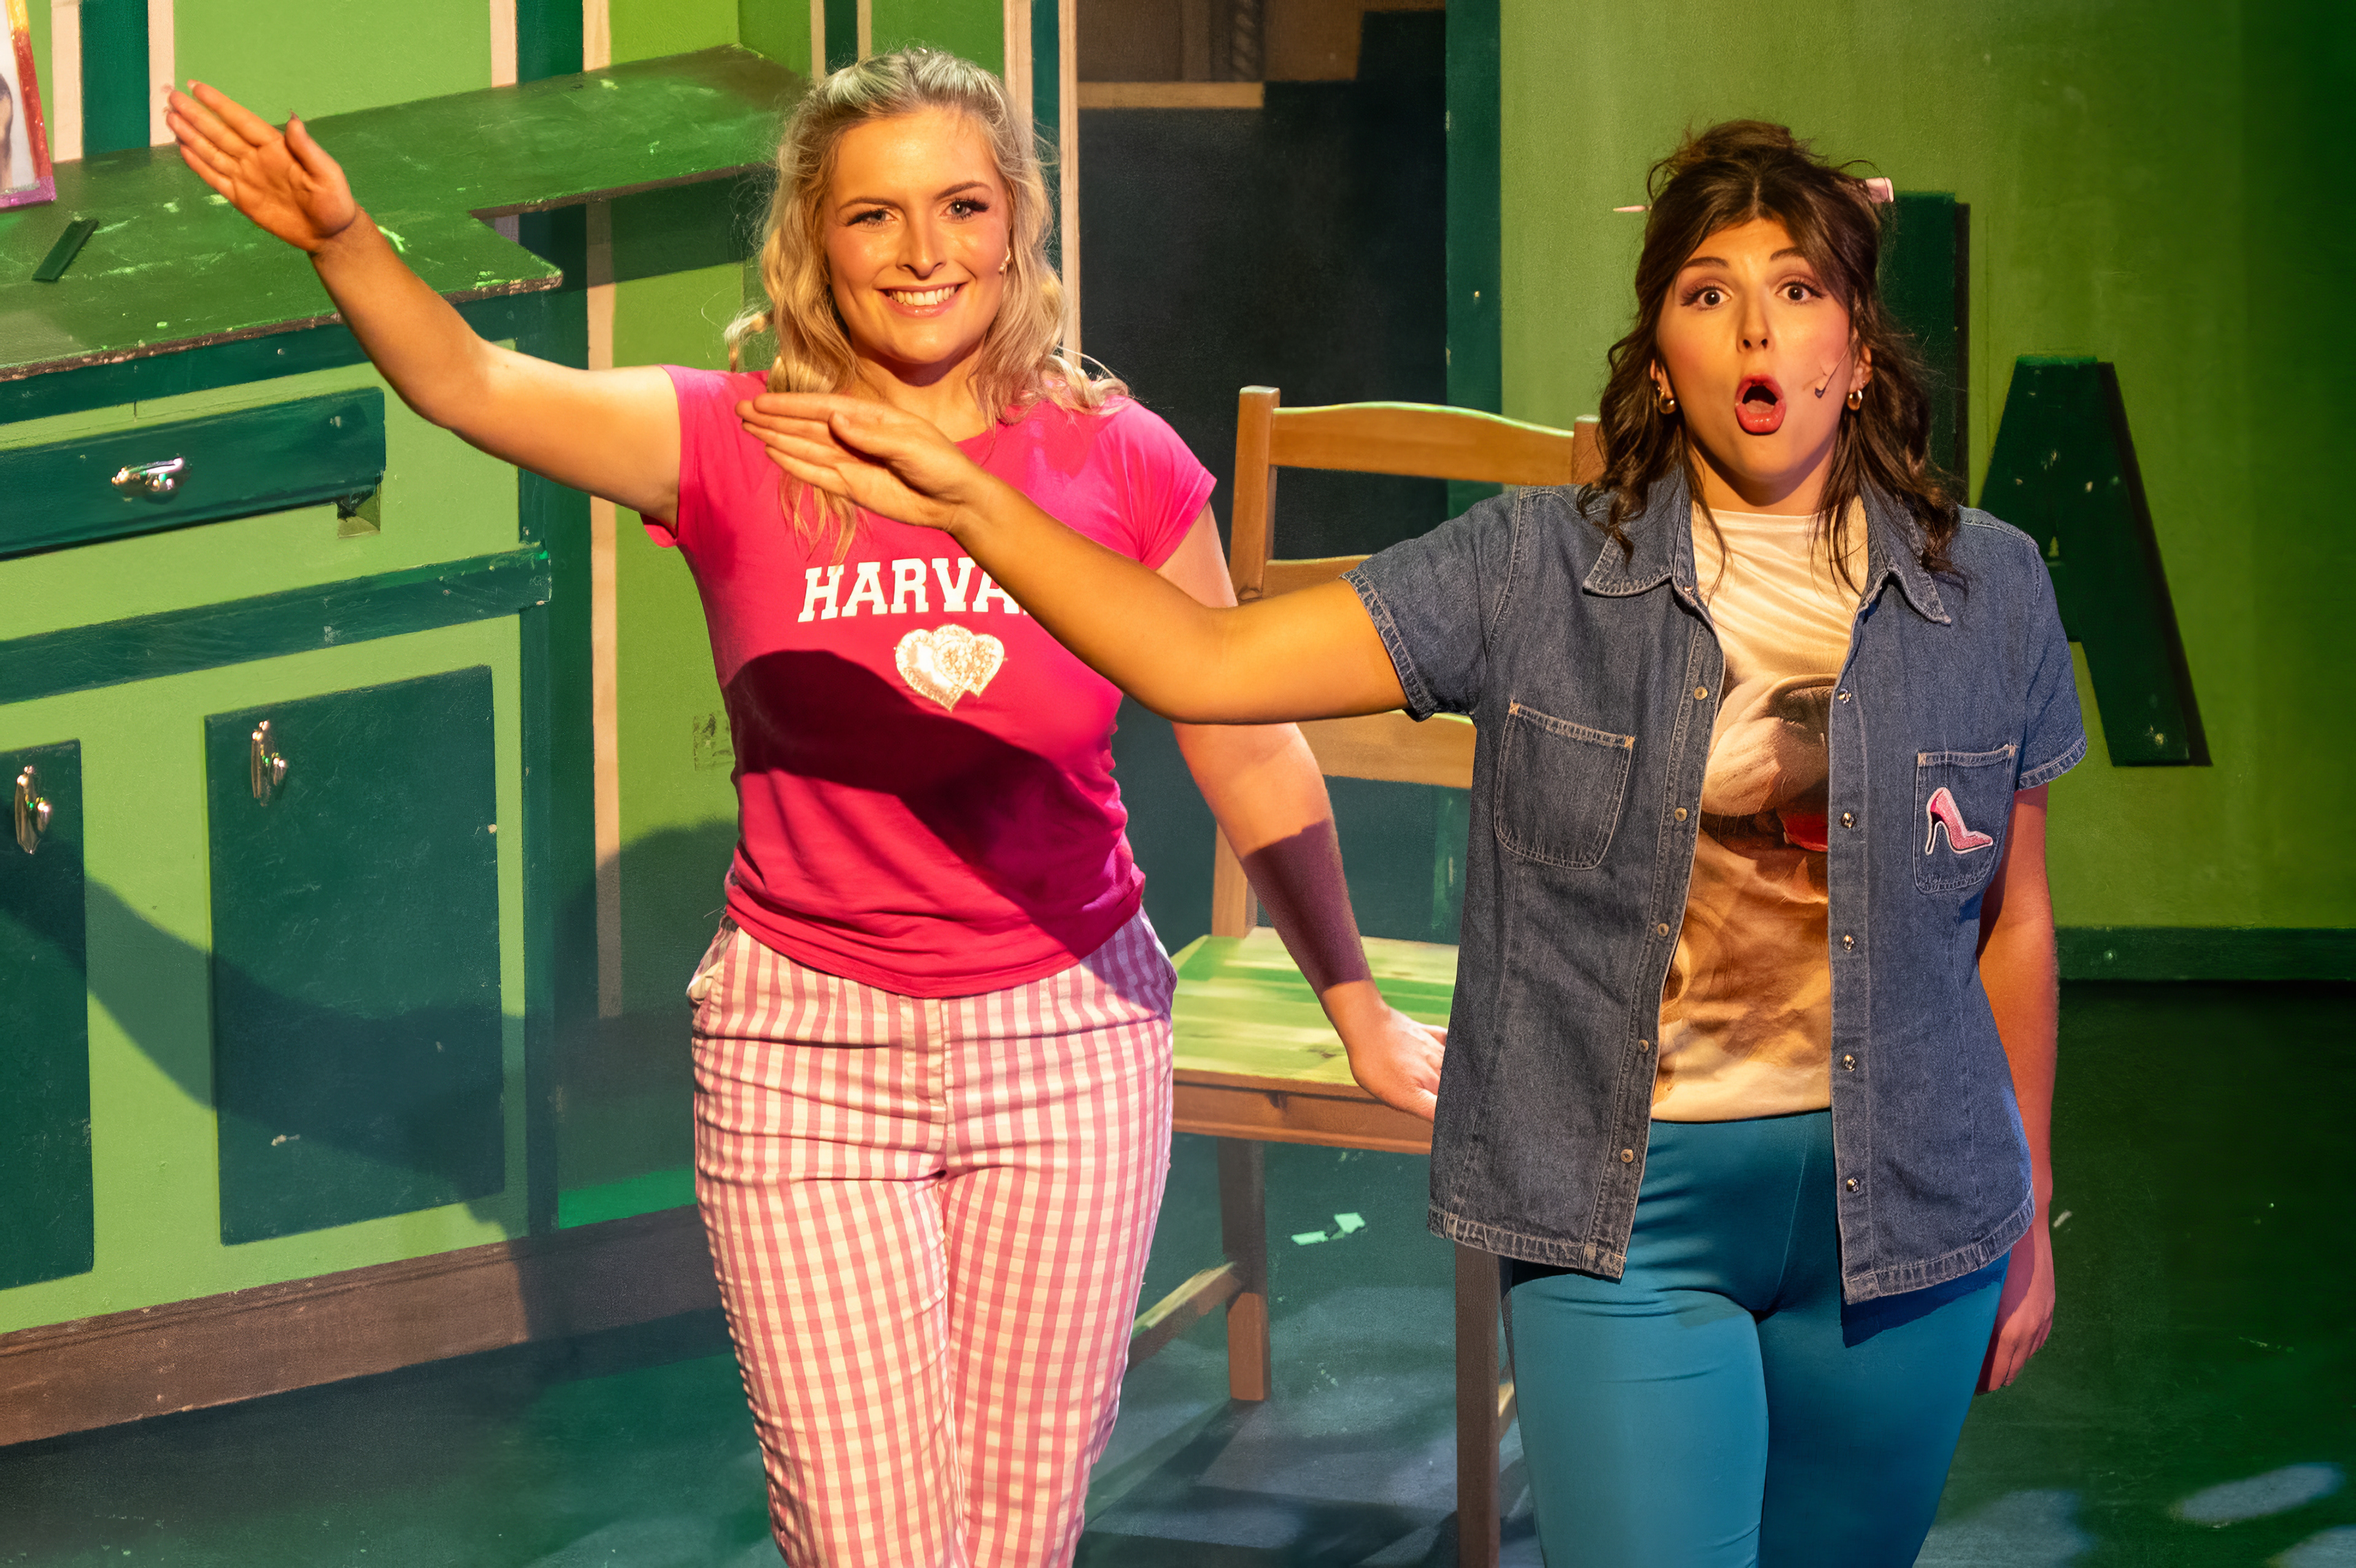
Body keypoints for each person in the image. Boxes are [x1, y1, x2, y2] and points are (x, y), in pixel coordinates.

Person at [737, 120, 2081, 1567]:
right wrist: (970, 504)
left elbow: (2012, 919)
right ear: (1659, 355)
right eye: (1710, 292)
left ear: (1860, 348)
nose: (1757, 328)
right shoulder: (1532, 569)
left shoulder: (1992, 589)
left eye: (1799, 288)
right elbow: (1204, 663)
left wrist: (2026, 1209)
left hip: (1912, 1213)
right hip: (1625, 1213)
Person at [166, 48, 1444, 1568]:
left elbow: (1248, 746)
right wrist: (343, 242)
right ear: (813, 244)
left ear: (1017, 223)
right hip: (807, 1054)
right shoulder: (730, 439)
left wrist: (1357, 1008)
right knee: (864, 1539)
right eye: (873, 216)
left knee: (1016, 1537)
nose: (923, 252)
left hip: (1070, 1038)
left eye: (961, 206)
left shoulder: (1118, 458)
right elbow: (470, 384)